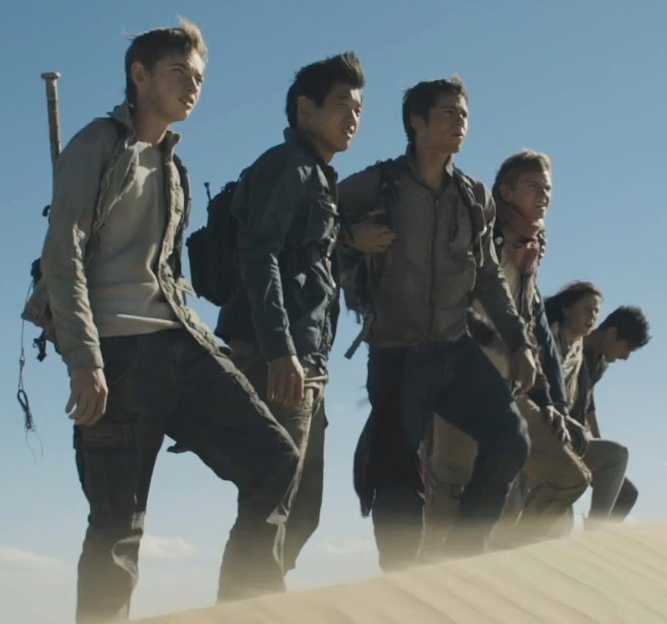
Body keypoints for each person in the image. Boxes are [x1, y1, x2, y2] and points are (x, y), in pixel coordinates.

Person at [25, 19, 299, 621]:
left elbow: (167, 276)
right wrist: (84, 360)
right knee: (117, 526)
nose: (192, 85)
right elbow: (63, 255)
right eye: (179, 72)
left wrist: (210, 346)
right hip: (117, 358)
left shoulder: (173, 168)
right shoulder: (97, 145)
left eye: (198, 77)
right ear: (140, 74)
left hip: (181, 348)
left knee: (275, 460)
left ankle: (245, 610)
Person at [337, 76, 537, 569]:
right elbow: (313, 217)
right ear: (416, 121)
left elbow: (488, 278)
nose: (459, 122)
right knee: (396, 477)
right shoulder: (378, 184)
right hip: (395, 353)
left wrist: (520, 342)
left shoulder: (473, 196)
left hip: (453, 349)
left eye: (464, 114)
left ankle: (460, 561)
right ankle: (402, 583)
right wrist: (351, 236)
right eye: (448, 112)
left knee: (510, 440)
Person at [216, 52, 365, 574]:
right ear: (306, 109)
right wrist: (280, 350)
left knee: (300, 511)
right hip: (280, 357)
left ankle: (258, 597)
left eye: (359, 109)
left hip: (308, 360)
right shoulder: (288, 166)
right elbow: (259, 256)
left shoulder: (318, 175)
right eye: (341, 104)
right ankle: (247, 604)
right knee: (272, 504)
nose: (353, 117)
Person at [424, 150, 588, 554]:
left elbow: (529, 329)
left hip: (510, 391)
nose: (544, 195)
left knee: (570, 477)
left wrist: (548, 401)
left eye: (548, 188)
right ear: (506, 191)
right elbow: (449, 306)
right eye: (533, 186)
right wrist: (501, 345)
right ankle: (433, 580)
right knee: (447, 498)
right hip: (460, 384)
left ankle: (506, 561)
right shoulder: (478, 235)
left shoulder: (531, 250)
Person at [555, 299, 652, 521]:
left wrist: (596, 442)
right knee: (618, 455)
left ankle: (599, 537)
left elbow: (588, 404)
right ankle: (595, 534)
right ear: (612, 333)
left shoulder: (599, 363)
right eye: (627, 348)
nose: (625, 357)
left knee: (626, 494)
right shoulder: (573, 349)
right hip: (556, 438)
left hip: (577, 441)